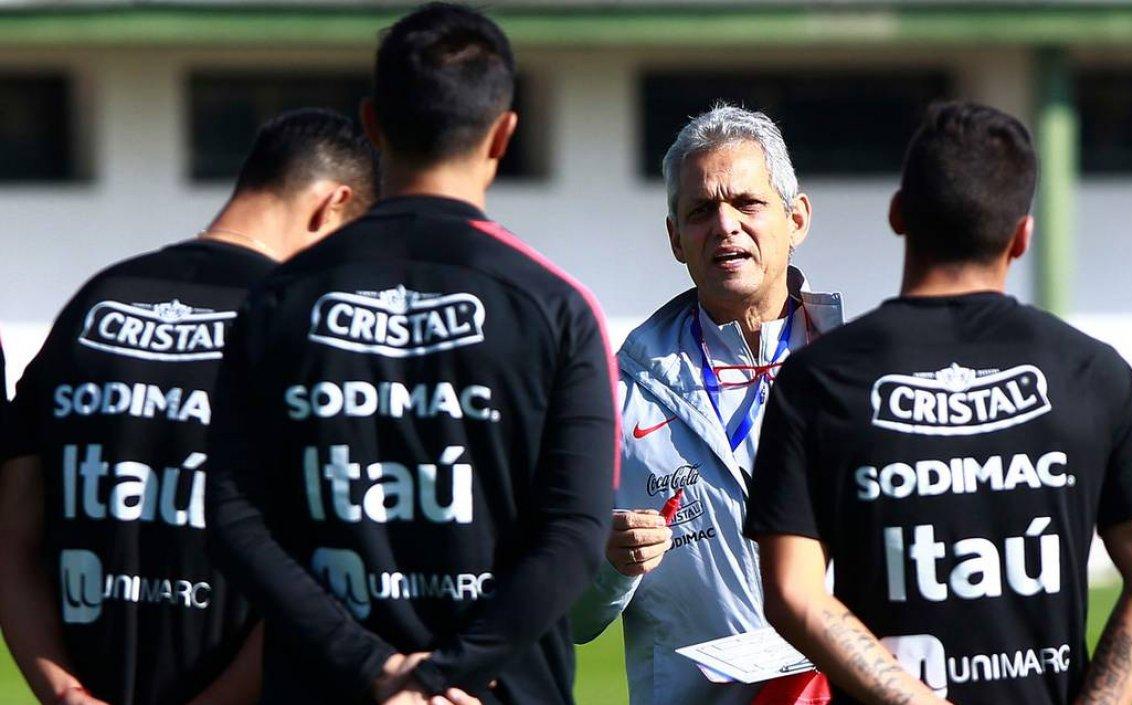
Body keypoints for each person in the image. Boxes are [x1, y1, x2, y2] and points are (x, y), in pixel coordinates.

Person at [204, 5, 618, 705]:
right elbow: (576, 532)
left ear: (370, 126)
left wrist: (377, 670)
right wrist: (445, 673)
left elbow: (230, 517)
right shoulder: (559, 307)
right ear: (504, 134)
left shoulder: (277, 301)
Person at [746, 101, 1132, 705]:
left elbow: (793, 593)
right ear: (1023, 236)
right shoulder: (1092, 373)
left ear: (899, 215)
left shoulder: (817, 381)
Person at [0, 107, 378, 705]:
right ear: (331, 204)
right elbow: (324, 568)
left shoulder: (95, 304)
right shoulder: (300, 331)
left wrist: (64, 693)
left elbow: (11, 535)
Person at [569, 105, 844, 705]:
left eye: (747, 203)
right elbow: (573, 619)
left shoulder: (862, 373)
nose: (724, 226)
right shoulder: (619, 393)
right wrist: (612, 563)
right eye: (700, 211)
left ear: (795, 219)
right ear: (675, 238)